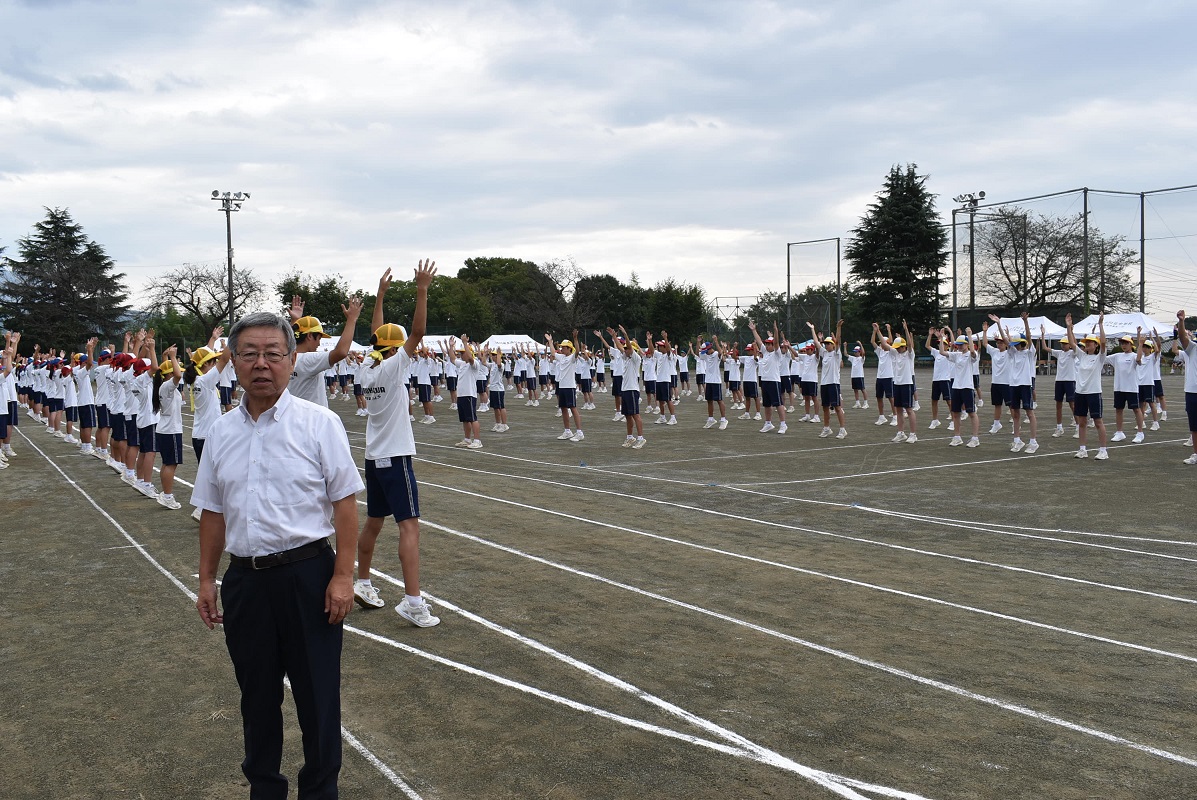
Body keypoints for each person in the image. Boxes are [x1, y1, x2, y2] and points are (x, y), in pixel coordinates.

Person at [193, 310, 364, 799]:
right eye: (249, 354)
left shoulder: (320, 424)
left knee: (317, 698)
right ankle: (264, 788)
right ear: (233, 362)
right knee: (258, 698)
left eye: (273, 353)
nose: (261, 364)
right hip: (246, 581)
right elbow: (212, 512)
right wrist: (208, 579)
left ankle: (320, 790)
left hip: (309, 576)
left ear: (293, 360)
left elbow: (345, 503)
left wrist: (343, 577)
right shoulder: (221, 433)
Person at [353, 262, 441, 627]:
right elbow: (417, 332)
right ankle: (413, 601)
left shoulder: (368, 369)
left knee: (374, 522)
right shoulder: (391, 367)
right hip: (395, 455)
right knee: (409, 527)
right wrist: (422, 290)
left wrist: (381, 295)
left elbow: (378, 335)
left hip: (375, 456)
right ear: (394, 350)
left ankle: (363, 580)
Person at [286, 296, 363, 408]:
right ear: (310, 336)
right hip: (312, 420)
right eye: (319, 338)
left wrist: (296, 322)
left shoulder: (286, 357)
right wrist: (352, 319)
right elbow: (341, 352)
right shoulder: (309, 360)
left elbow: (294, 340)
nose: (319, 344)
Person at [1066, 312, 1109, 460]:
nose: (1088, 344)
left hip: (1094, 393)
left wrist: (1101, 325)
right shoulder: (1082, 356)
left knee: (1098, 422)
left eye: (1091, 342)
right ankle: (1082, 449)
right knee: (1082, 421)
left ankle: (1103, 450)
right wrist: (1068, 328)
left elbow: (1103, 343)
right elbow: (1072, 343)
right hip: (1080, 393)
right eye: (1086, 342)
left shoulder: (1100, 357)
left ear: (1095, 345)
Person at [941, 328, 980, 447]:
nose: (959, 347)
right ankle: (957, 437)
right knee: (956, 413)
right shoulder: (956, 355)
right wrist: (942, 337)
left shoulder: (971, 354)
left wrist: (969, 335)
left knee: (971, 413)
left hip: (967, 387)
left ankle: (975, 438)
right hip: (956, 387)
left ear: (967, 345)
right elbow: (942, 352)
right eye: (958, 345)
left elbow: (973, 353)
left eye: (961, 345)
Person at [812, 320, 847, 439]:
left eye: (828, 343)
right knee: (825, 407)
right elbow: (817, 343)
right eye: (825, 343)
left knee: (837, 407)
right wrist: (812, 329)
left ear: (833, 344)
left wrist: (838, 328)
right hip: (825, 384)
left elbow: (838, 340)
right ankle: (827, 428)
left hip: (834, 383)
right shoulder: (824, 353)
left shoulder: (837, 354)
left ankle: (842, 429)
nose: (826, 345)